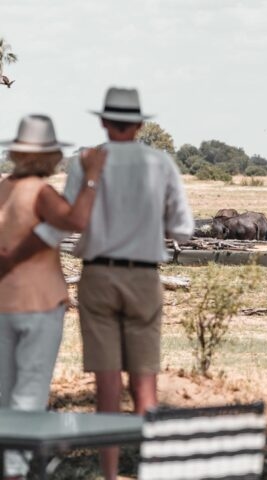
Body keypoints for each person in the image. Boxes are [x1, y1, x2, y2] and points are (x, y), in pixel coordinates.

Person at [2, 87, 195, 480]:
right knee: (145, 379)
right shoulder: (160, 163)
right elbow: (183, 229)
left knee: (106, 380)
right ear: (140, 124)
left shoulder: (86, 162)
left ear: (104, 122)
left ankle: (108, 473)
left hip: (97, 274)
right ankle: (148, 470)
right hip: (143, 275)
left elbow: (64, 225)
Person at [0, 114, 106, 480]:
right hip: (40, 302)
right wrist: (91, 178)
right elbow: (76, 220)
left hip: (3, 302)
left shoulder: (3, 189)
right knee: (29, 390)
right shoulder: (40, 192)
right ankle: (16, 469)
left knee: (5, 390)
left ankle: (10, 463)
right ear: (49, 156)